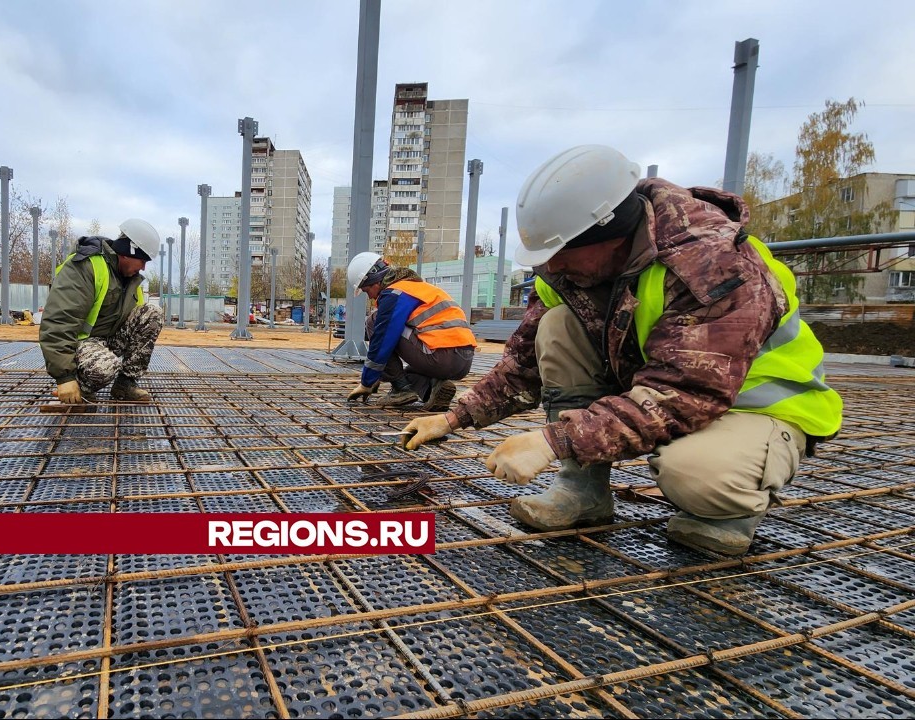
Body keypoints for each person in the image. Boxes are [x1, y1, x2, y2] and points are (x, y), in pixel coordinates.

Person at [399, 145, 843, 556]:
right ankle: (582, 492)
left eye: (562, 251)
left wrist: (555, 439)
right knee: (557, 325)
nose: (552, 265)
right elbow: (524, 363)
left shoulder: (712, 264)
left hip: (751, 406)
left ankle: (727, 508)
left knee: (695, 478)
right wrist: (453, 417)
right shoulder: (572, 274)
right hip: (661, 392)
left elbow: (685, 391)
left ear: (611, 231)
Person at [40, 218, 163, 404]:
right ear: (127, 253)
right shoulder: (85, 267)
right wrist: (64, 377)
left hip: (107, 341)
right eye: (142, 260)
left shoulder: (131, 279)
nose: (143, 267)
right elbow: (59, 319)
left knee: (151, 313)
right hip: (82, 343)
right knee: (105, 367)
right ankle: (78, 389)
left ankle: (125, 384)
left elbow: (134, 323)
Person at [346, 252, 477, 412]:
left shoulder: (394, 293)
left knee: (374, 322)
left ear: (374, 281)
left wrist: (367, 380)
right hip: (464, 361)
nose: (371, 297)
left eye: (366, 291)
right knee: (407, 374)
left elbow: (382, 339)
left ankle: (401, 389)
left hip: (442, 356)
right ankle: (433, 389)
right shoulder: (417, 288)